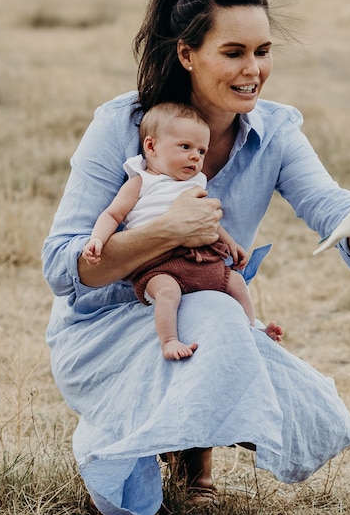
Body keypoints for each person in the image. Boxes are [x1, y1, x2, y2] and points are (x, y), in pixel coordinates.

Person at [42, 0, 350, 515]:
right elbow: (63, 266)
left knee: (223, 315)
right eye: (234, 52)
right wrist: (168, 230)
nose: (253, 71)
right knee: (212, 314)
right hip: (103, 326)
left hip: (205, 309)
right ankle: (121, 460)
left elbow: (334, 209)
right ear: (188, 54)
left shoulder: (276, 131)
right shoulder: (122, 127)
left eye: (263, 51)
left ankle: (194, 462)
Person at [82, 101, 283, 360]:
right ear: (151, 146)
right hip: (158, 265)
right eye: (185, 147)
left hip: (201, 261)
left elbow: (208, 220)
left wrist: (231, 244)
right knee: (167, 293)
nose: (195, 157)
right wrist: (97, 239)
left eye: (201, 151)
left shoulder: (195, 184)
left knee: (235, 282)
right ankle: (169, 340)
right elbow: (112, 214)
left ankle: (252, 328)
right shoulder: (141, 182)